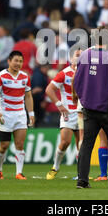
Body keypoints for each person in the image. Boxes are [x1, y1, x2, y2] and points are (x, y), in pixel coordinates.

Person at [73, 29, 108, 189]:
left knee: (86, 144)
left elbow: (76, 77)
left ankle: (82, 181)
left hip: (89, 108)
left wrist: (79, 96)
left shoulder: (84, 55)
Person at [0, 50, 35, 180]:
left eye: (21, 61)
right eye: (16, 60)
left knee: (20, 144)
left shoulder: (25, 77)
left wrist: (31, 113)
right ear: (9, 61)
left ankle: (19, 173)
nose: (18, 63)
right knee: (4, 145)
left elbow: (28, 96)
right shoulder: (1, 76)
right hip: (5, 115)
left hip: (20, 114)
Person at [45, 49, 82, 180]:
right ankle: (55, 166)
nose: (79, 58)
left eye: (81, 56)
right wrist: (59, 104)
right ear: (71, 58)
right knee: (65, 142)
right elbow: (49, 90)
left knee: (81, 144)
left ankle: (80, 174)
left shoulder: (87, 73)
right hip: (68, 113)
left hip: (83, 112)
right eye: (77, 56)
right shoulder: (64, 74)